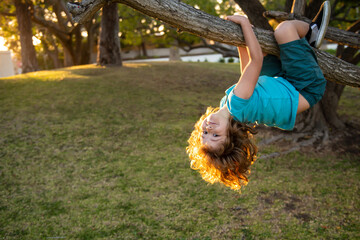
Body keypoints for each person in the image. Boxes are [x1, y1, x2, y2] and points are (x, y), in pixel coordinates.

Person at [187, 1, 331, 191]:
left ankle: (299, 47)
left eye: (205, 134)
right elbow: (255, 61)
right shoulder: (236, 106)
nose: (208, 128)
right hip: (305, 88)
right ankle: (312, 33)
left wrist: (240, 43)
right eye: (216, 135)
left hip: (283, 82)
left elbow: (246, 75)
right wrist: (245, 24)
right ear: (231, 133)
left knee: (262, 47)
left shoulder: (227, 106)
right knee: (283, 31)